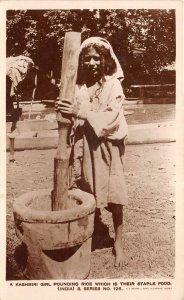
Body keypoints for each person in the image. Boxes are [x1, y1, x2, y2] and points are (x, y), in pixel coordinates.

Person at [56, 37, 128, 267]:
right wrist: (65, 109)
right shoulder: (79, 87)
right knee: (87, 188)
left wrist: (81, 112)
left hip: (107, 145)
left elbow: (113, 118)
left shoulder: (112, 85)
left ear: (105, 60)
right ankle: (92, 232)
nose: (92, 62)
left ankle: (119, 242)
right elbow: (71, 113)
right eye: (87, 58)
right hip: (85, 145)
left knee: (115, 194)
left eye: (97, 58)